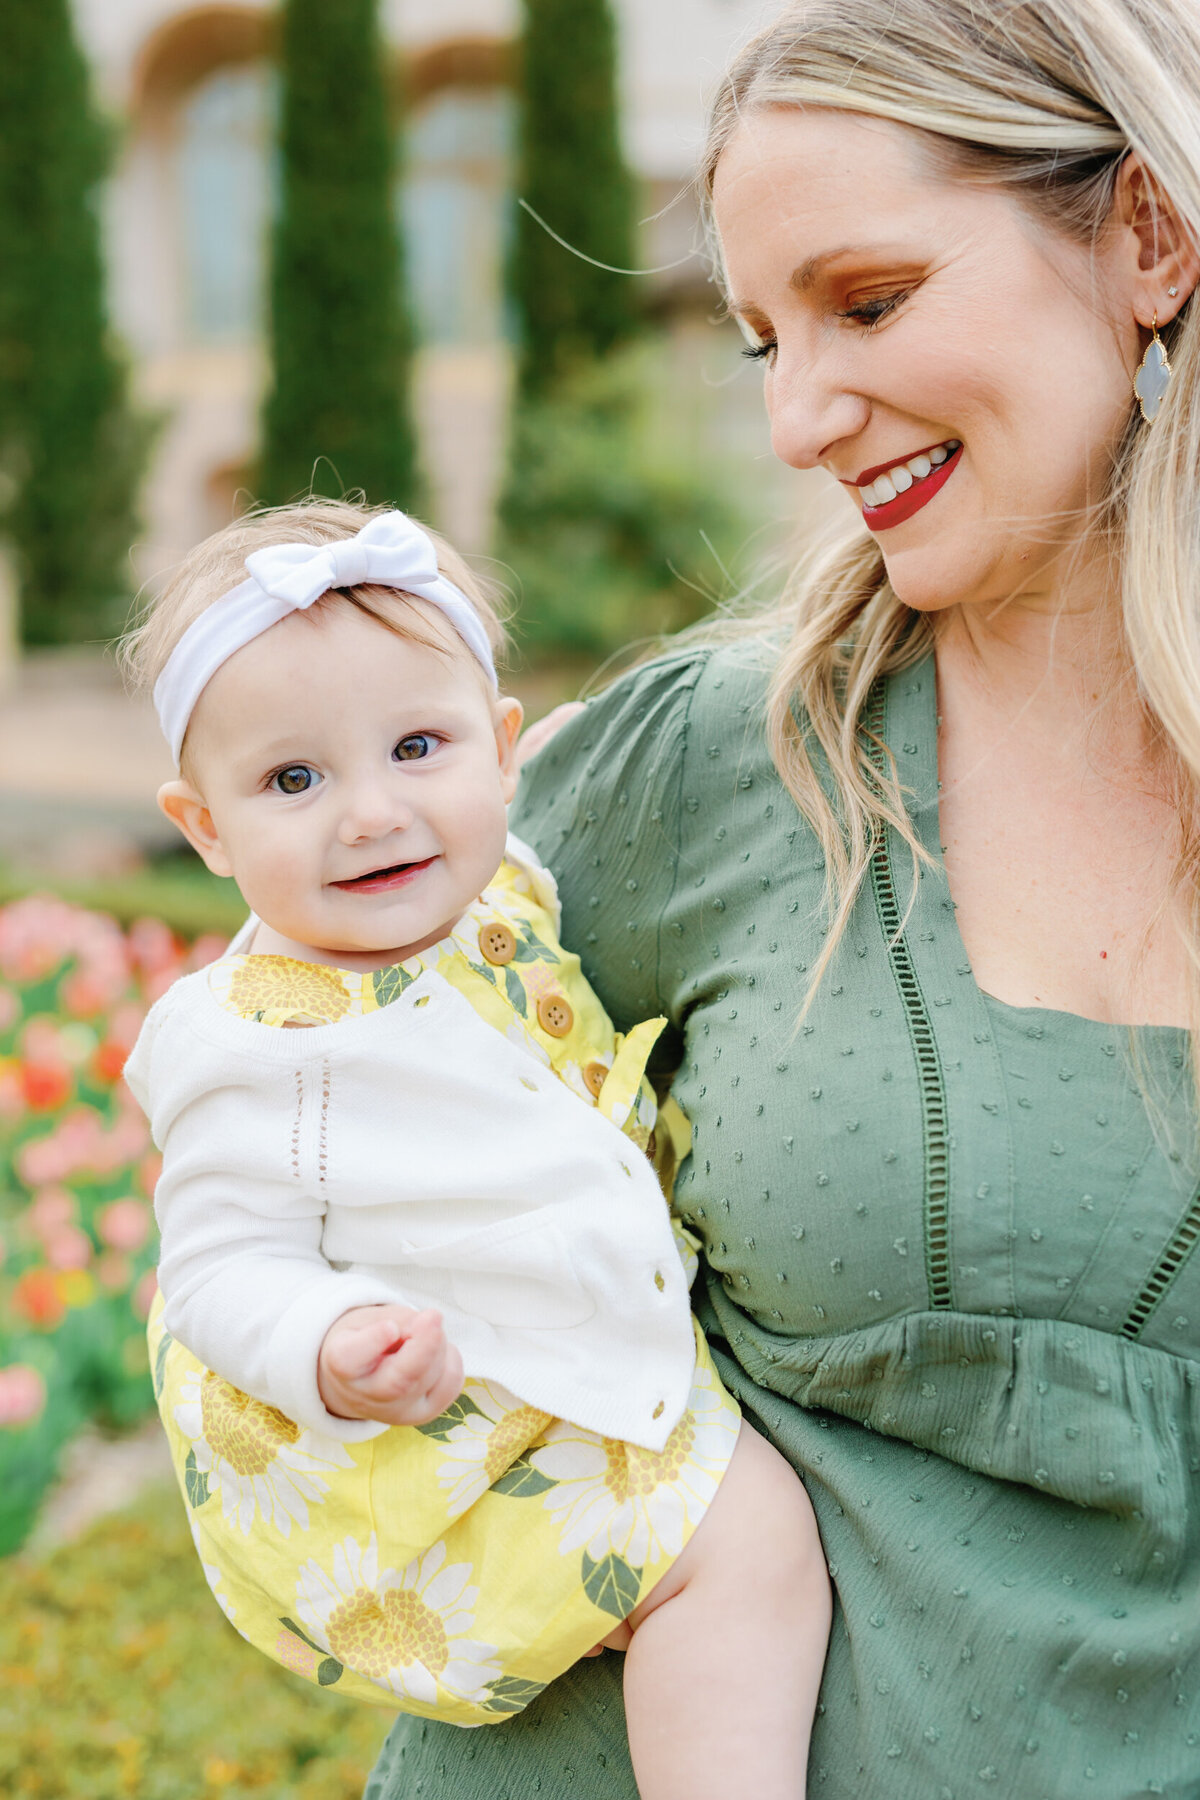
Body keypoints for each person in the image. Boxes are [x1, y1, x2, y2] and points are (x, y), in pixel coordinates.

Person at [361, 1, 1200, 1795]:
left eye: (869, 301)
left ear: (1147, 233)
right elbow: (300, 1083)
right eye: (761, 337)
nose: (802, 417)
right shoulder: (723, 757)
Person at [122, 500, 830, 1800]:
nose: (372, 812)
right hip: (462, 1436)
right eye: (294, 779)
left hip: (556, 1351)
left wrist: (554, 763)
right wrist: (331, 1343)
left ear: (502, 756)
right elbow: (217, 1271)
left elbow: (539, 823)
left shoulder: (501, 888)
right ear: (205, 827)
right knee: (746, 1547)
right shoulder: (254, 1041)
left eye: (418, 746)